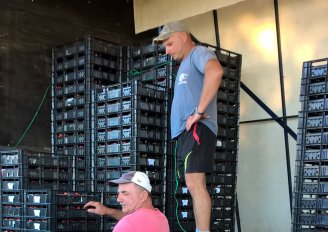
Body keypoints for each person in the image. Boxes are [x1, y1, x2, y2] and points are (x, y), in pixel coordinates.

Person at [153, 21, 223, 232]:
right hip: (187, 132)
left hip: (197, 128)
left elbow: (216, 71)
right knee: (192, 183)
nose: (167, 51)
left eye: (170, 44)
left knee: (194, 183)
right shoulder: (184, 64)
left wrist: (198, 112)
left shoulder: (198, 53)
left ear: (184, 36)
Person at [84, 171, 169, 232]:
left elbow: (131, 222)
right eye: (119, 193)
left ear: (143, 196)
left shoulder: (128, 224)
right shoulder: (161, 217)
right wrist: (107, 211)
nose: (118, 199)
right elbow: (137, 220)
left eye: (125, 193)